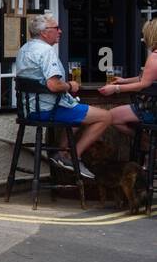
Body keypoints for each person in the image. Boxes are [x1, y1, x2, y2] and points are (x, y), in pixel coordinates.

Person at [13, 13, 110, 179]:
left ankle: (62, 153)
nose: (60, 31)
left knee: (77, 112)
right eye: (56, 28)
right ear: (44, 32)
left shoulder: (24, 49)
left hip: (28, 110)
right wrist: (70, 85)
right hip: (47, 110)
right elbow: (53, 85)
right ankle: (74, 157)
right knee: (106, 117)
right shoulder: (46, 51)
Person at [100, 18, 157, 145]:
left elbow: (143, 84)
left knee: (111, 117)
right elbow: (146, 78)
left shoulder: (154, 57)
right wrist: (124, 80)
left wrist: (115, 88)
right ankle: (149, 145)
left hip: (152, 110)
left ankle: (148, 143)